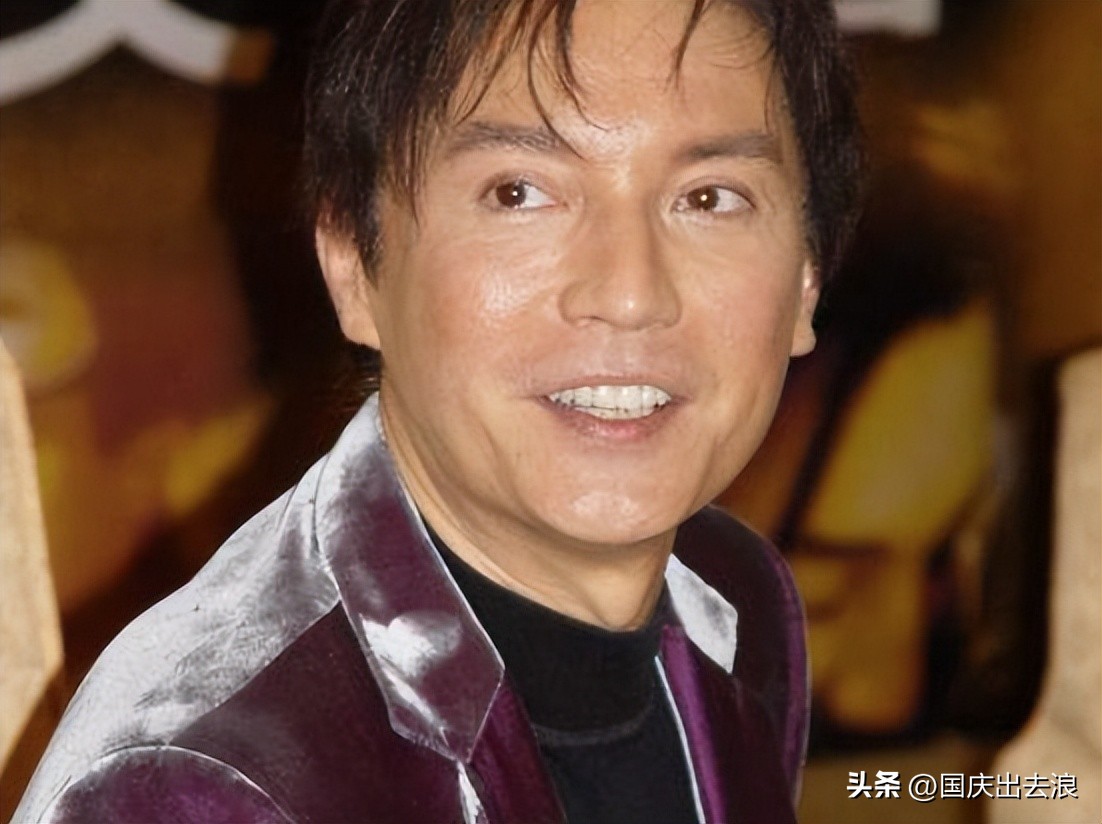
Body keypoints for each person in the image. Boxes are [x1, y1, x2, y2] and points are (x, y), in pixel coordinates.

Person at [14, 0, 860, 821]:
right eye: (518, 193)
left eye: (710, 199)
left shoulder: (734, 595)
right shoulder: (200, 786)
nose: (630, 293)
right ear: (354, 265)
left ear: (806, 281)